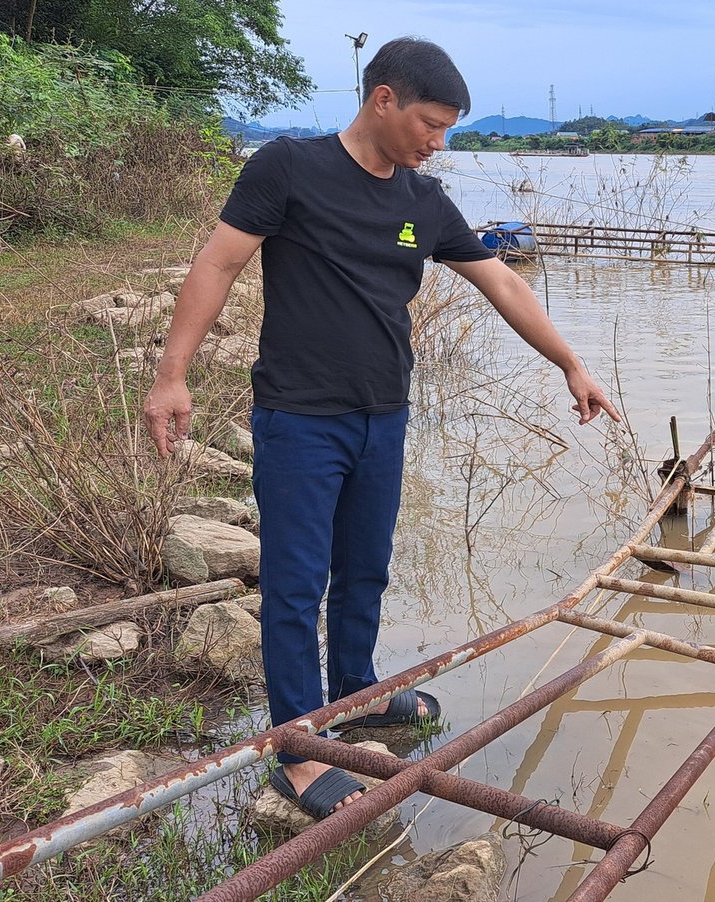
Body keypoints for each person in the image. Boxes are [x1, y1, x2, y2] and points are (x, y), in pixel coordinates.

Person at [142, 37, 619, 820]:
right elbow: (218, 264)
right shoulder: (287, 168)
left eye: (449, 130)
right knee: (296, 585)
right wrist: (171, 376)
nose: (439, 144)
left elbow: (499, 277)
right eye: (431, 124)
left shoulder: (422, 201)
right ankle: (297, 752)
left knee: (365, 570)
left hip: (382, 417)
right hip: (299, 416)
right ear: (383, 99)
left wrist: (570, 361)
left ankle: (356, 699)